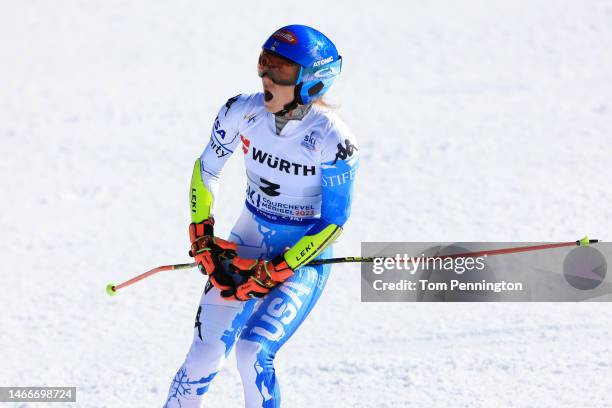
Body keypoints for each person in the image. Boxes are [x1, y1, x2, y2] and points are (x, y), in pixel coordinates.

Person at [164, 24, 359, 408]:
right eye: (264, 63)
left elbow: (334, 222)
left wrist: (281, 268)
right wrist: (201, 235)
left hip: (302, 259)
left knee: (252, 352)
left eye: (281, 70)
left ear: (313, 83)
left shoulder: (333, 141)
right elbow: (206, 170)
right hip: (246, 243)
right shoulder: (241, 110)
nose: (266, 76)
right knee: (203, 357)